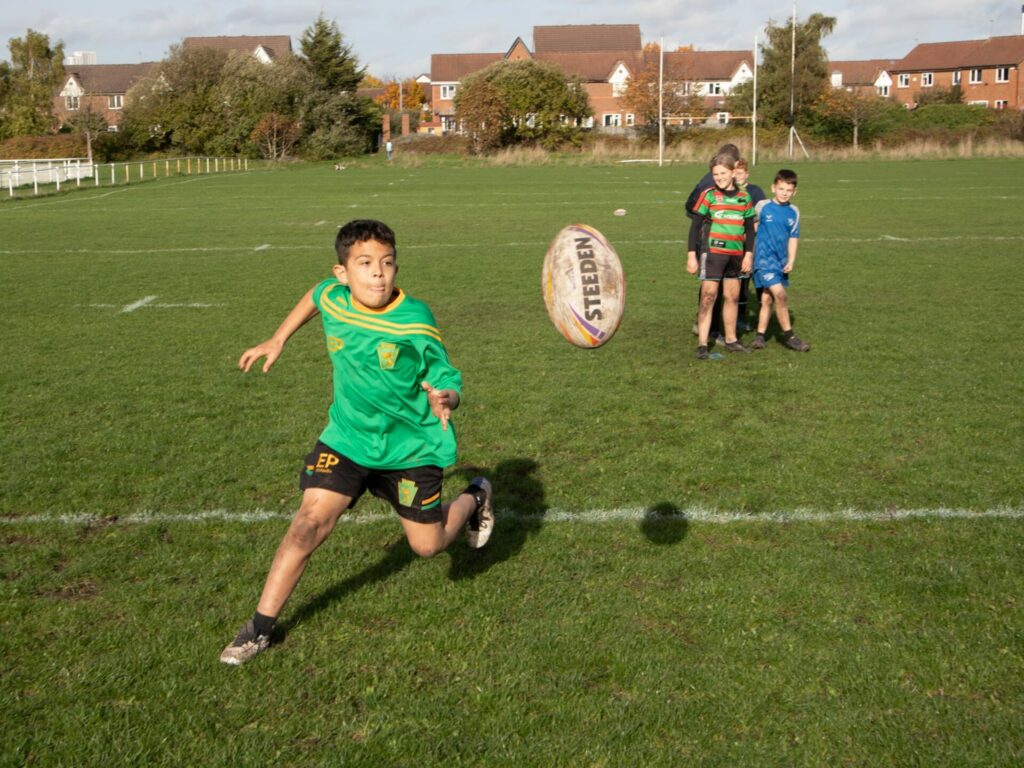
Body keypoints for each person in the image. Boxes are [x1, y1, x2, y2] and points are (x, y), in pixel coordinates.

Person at [220, 219, 494, 665]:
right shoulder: (335, 297)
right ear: (342, 273)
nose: (378, 274)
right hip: (347, 439)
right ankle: (259, 628)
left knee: (427, 546)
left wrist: (447, 397)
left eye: (387, 263)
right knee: (307, 525)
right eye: (365, 264)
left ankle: (476, 495)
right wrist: (278, 338)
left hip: (409, 448)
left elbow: (446, 374)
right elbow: (316, 295)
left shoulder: (415, 318)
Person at [686, 153, 757, 360]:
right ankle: (702, 344)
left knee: (732, 297)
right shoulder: (709, 195)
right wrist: (691, 255)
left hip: (735, 254)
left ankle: (731, 340)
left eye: (723, 173)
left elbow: (750, 229)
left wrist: (748, 255)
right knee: (708, 297)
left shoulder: (744, 197)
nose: (719, 178)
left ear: (733, 172)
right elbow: (695, 227)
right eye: (715, 174)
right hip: (713, 253)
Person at [751, 170, 811, 352]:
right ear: (773, 188)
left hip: (780, 262)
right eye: (781, 189)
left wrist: (791, 260)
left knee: (767, 298)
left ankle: (759, 336)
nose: (784, 193)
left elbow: (793, 237)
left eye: (789, 190)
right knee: (781, 295)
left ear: (795, 192)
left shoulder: (794, 212)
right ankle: (789, 336)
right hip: (763, 260)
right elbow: (750, 226)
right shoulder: (762, 206)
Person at [686, 143, 740, 344]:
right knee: (712, 287)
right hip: (709, 241)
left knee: (716, 287)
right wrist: (708, 219)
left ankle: (712, 326)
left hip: (726, 241)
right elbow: (691, 207)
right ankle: (712, 331)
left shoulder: (727, 181)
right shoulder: (710, 183)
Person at [732, 158, 766, 333]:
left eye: (740, 173)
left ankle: (763, 316)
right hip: (736, 243)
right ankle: (740, 317)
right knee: (742, 280)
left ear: (746, 174)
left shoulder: (755, 191)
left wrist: (749, 232)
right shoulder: (730, 192)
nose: (737, 176)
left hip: (754, 243)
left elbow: (761, 217)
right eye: (735, 173)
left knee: (758, 278)